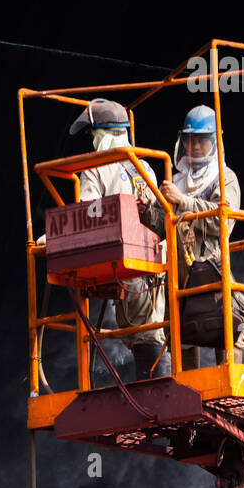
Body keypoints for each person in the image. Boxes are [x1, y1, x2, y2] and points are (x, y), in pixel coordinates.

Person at [69, 97, 170, 380]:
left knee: (143, 332)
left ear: (101, 134)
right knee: (154, 326)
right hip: (155, 262)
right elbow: (161, 217)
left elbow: (88, 216)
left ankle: (154, 393)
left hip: (122, 264)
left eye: (92, 134)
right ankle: (161, 386)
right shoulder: (145, 167)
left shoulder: (95, 167)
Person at [147, 104, 244, 367]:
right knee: (183, 339)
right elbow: (160, 225)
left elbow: (222, 220)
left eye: (201, 140)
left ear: (215, 141)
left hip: (211, 273)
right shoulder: (177, 181)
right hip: (179, 278)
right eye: (189, 139)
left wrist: (183, 201)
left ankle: (231, 385)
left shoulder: (225, 179)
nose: (193, 146)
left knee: (227, 329)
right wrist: (148, 210)